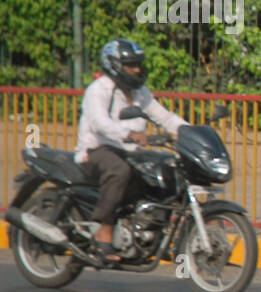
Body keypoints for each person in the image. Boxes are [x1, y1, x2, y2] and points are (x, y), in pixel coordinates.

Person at [73, 38, 188, 262]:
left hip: (129, 152)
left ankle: (150, 231)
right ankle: (102, 230)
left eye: (138, 64)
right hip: (96, 150)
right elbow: (100, 123)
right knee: (120, 171)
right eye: (131, 65)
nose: (137, 69)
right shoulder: (99, 90)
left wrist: (190, 132)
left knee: (166, 167)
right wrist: (129, 134)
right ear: (114, 65)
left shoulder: (139, 92)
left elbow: (163, 116)